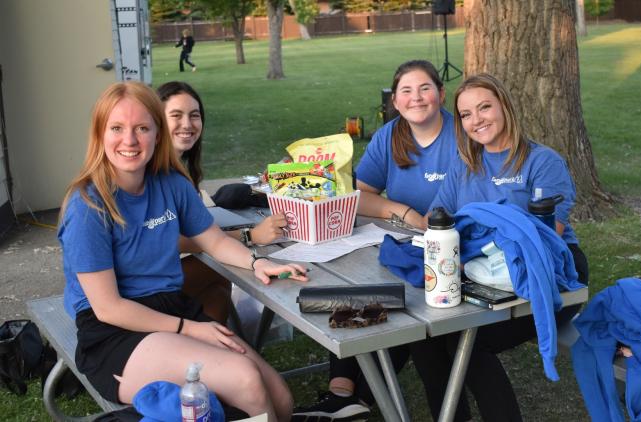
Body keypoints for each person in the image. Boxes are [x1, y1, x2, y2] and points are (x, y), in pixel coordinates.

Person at [58, 81, 307, 421]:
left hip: (172, 307)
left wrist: (258, 261)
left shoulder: (171, 184)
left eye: (142, 128)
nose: (129, 140)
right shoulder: (88, 205)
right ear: (100, 133)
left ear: (157, 134)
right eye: (117, 128)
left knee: (280, 398)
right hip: (116, 334)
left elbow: (214, 241)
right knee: (245, 381)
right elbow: (109, 308)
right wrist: (191, 329)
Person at [293, 60, 472, 422]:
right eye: (406, 90)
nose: (416, 98)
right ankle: (343, 391)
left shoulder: (463, 136)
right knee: (353, 290)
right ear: (395, 99)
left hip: (453, 250)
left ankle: (350, 396)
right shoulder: (390, 135)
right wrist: (404, 212)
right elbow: (361, 194)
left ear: (441, 93)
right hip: (403, 242)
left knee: (399, 315)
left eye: (424, 88)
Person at [413, 73, 590, 422]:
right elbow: (436, 219)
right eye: (465, 114)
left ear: (504, 106)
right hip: (478, 274)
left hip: (546, 275)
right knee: (424, 338)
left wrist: (471, 244)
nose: (476, 120)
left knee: (468, 342)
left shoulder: (543, 162)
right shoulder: (465, 164)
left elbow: (542, 240)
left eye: (484, 108)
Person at [157, 81, 288, 323]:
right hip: (139, 289)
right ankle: (213, 348)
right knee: (219, 271)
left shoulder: (179, 172)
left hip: (162, 275)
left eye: (194, 116)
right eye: (176, 115)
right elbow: (177, 241)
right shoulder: (154, 172)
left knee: (217, 289)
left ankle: (214, 349)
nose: (187, 124)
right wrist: (251, 236)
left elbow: (195, 231)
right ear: (156, 121)